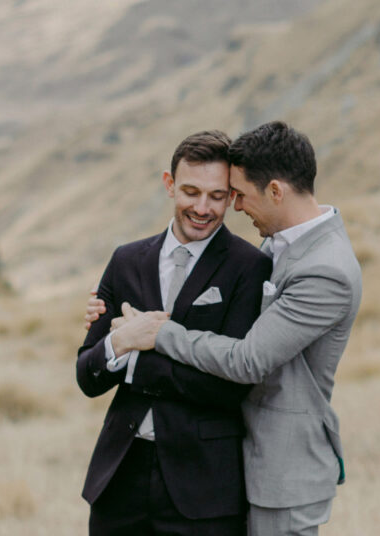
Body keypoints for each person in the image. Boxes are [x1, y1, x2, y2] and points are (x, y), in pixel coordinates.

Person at [108, 121, 362, 536]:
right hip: (242, 460)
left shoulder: (325, 270)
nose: (237, 208)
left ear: (276, 191)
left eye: (240, 195)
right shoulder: (283, 243)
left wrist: (157, 331)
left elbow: (248, 359)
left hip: (284, 470)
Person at [76, 130, 273, 535]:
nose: (202, 208)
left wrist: (137, 362)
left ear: (231, 196)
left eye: (216, 196)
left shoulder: (248, 267)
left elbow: (230, 386)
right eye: (190, 192)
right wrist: (120, 341)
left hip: (203, 490)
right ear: (169, 185)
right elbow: (88, 376)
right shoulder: (126, 260)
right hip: (118, 482)